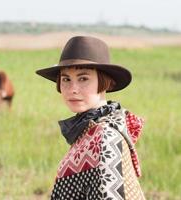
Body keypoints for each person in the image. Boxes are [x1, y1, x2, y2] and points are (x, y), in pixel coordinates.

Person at [36, 36, 145, 200]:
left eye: (83, 78)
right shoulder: (90, 128)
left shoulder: (104, 137)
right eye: (66, 79)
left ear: (106, 83)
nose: (73, 89)